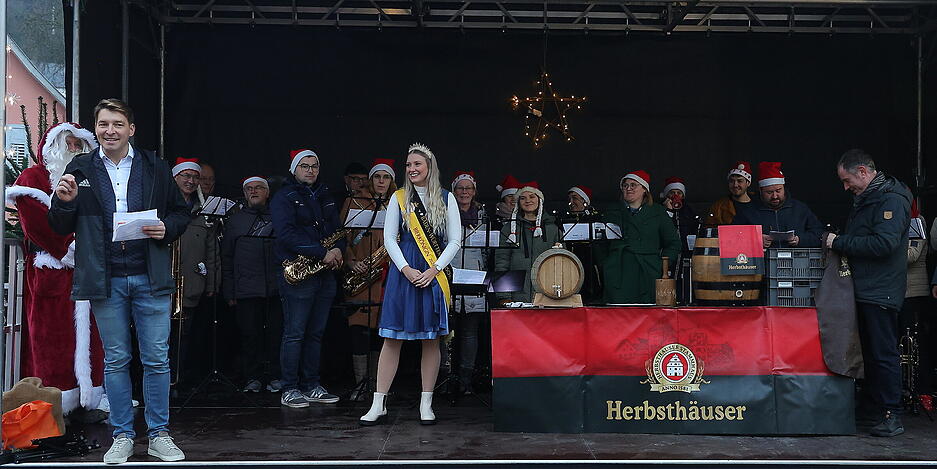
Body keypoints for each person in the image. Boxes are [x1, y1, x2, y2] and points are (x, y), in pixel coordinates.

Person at [48, 99, 190, 463]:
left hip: (149, 275)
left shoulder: (154, 166)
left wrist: (167, 227)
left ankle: (159, 435)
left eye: (117, 124)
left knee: (156, 359)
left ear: (131, 129)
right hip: (106, 278)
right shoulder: (80, 168)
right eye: (103, 124)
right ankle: (123, 436)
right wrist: (64, 202)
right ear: (96, 129)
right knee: (116, 360)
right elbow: (59, 225)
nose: (110, 131)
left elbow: (181, 212)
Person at [359, 143, 461, 426]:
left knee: (431, 339)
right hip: (403, 273)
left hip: (432, 273)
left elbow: (455, 240)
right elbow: (389, 238)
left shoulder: (447, 198)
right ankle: (378, 403)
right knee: (392, 339)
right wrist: (405, 268)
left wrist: (434, 269)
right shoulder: (399, 197)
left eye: (417, 164)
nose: (412, 169)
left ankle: (426, 403)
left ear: (430, 167)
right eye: (408, 165)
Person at [7, 122, 106, 415]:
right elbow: (35, 223)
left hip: (87, 272)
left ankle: (91, 398)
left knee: (93, 339)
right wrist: (70, 249)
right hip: (51, 272)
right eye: (68, 144)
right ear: (52, 147)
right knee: (52, 340)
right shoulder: (33, 177)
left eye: (79, 145)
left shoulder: (93, 181)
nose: (73, 150)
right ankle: (54, 405)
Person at [827, 148, 911, 437]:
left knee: (883, 353)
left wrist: (839, 242)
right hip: (866, 288)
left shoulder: (891, 200)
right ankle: (874, 408)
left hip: (881, 290)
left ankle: (891, 414)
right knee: (869, 353)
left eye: (847, 180)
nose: (845, 187)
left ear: (863, 172)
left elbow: (884, 244)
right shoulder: (870, 198)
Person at [271, 149, 346, 408]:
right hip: (299, 272)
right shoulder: (283, 197)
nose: (310, 170)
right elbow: (286, 234)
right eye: (305, 166)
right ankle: (290, 388)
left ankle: (312, 385)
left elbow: (338, 230)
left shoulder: (325, 194)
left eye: (314, 166)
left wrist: (339, 250)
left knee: (316, 333)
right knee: (295, 333)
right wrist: (322, 252)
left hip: (324, 273)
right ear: (294, 170)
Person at [340, 159, 397, 400]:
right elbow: (342, 237)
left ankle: (377, 386)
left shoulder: (398, 204)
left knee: (381, 333)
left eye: (386, 177)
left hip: (388, 277)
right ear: (371, 180)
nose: (381, 181)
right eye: (377, 177)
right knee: (359, 330)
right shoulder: (354, 202)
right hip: (360, 275)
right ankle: (360, 384)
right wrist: (351, 261)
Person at [222, 176, 282, 393]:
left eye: (258, 188)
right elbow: (226, 258)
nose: (253, 191)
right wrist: (229, 291)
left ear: (267, 192)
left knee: (276, 335)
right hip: (246, 290)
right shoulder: (235, 221)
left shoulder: (279, 217)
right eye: (249, 189)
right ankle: (252, 377)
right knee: (250, 336)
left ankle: (276, 375)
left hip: (276, 288)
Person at [170, 158, 220, 388]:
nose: (190, 181)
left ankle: (180, 381)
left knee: (185, 336)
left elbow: (212, 250)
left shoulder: (204, 212)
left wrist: (212, 283)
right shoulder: (164, 207)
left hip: (191, 285)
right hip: (164, 286)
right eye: (186, 176)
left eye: (195, 177)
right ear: (175, 178)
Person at [596, 170, 680, 304]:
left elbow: (673, 243)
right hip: (618, 272)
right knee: (617, 313)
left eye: (633, 185)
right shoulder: (612, 212)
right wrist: (606, 265)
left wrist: (661, 265)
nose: (628, 188)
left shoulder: (658, 212)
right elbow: (599, 243)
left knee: (647, 311)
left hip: (648, 272)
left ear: (644, 189)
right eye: (625, 185)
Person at [451, 171, 489, 393]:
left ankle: (465, 380)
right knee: (445, 333)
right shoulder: (445, 213)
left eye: (468, 188)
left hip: (474, 277)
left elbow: (487, 251)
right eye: (460, 188)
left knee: (469, 332)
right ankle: (446, 377)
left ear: (474, 192)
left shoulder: (483, 216)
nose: (464, 192)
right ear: (454, 191)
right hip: (450, 274)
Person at [732, 161, 824, 248]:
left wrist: (800, 240)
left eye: (778, 190)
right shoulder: (748, 211)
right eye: (769, 192)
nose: (775, 196)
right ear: (760, 191)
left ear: (784, 188)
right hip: (762, 259)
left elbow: (819, 234)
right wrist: (756, 239)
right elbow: (732, 236)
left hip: (796, 258)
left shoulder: (800, 209)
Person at [494, 183, 559, 303]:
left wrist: (559, 294)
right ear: (518, 202)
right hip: (516, 297)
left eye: (532, 196)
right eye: (523, 198)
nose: (528, 201)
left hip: (547, 295)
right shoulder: (509, 229)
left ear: (540, 200)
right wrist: (503, 296)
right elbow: (502, 263)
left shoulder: (553, 229)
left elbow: (561, 265)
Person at [705, 161, 754, 226]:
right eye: (731, 181)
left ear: (748, 183)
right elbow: (711, 229)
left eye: (740, 181)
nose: (735, 185)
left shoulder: (758, 203)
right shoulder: (719, 207)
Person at [660, 177, 699, 255]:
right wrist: (668, 211)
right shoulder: (659, 209)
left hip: (685, 251)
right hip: (667, 251)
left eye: (679, 193)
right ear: (667, 195)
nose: (676, 195)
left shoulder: (689, 210)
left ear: (683, 196)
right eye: (672, 193)